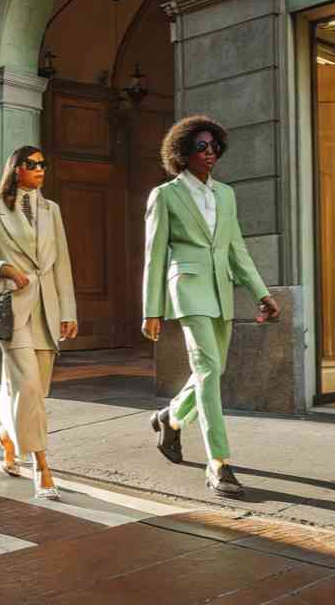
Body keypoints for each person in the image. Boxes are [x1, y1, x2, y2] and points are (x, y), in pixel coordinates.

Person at [142, 115, 281, 497]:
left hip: (220, 290)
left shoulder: (226, 194)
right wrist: (151, 309)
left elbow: (237, 249)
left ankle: (171, 417)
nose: (210, 153)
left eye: (215, 146)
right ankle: (218, 462)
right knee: (206, 370)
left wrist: (261, 293)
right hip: (187, 289)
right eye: (201, 146)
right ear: (183, 152)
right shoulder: (166, 195)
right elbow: (154, 256)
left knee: (213, 370)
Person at [0, 145, 78, 500]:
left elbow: (61, 263)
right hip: (12, 311)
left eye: (45, 164)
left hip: (48, 310)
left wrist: (69, 311)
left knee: (35, 391)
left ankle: (6, 435)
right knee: (28, 388)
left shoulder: (52, 210)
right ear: (17, 169)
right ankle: (42, 467)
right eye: (33, 165)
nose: (41, 169)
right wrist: (3, 269)